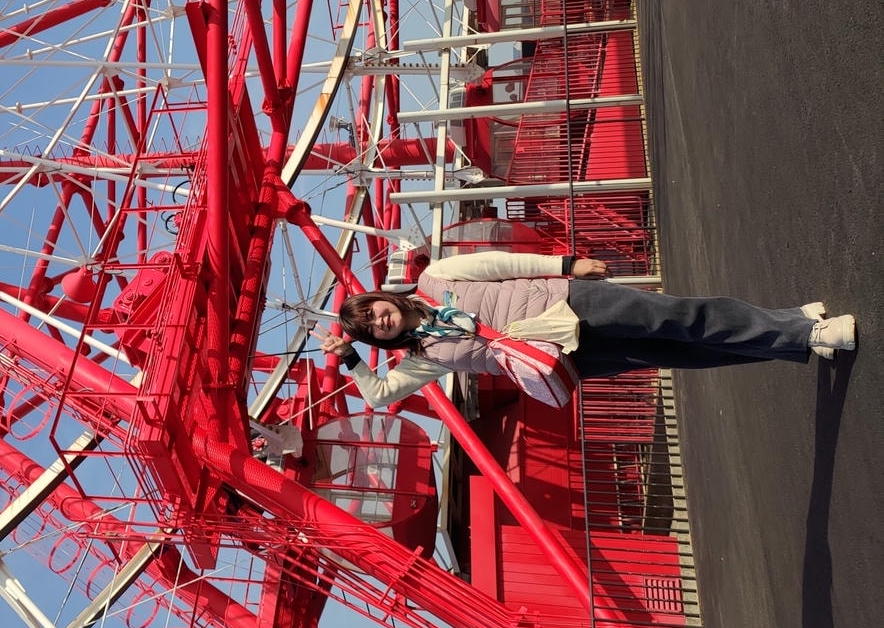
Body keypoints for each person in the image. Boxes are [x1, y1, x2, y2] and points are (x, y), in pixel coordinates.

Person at [310, 251, 856, 408]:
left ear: (383, 296)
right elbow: (380, 397)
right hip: (565, 358)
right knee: (680, 352)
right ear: (380, 339)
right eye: (372, 331)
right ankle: (793, 332)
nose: (380, 321)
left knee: (682, 318)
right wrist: (352, 359)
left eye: (374, 311)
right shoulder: (428, 355)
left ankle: (806, 334)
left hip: (570, 303)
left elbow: (503, 263)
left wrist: (566, 264)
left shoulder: (437, 276)